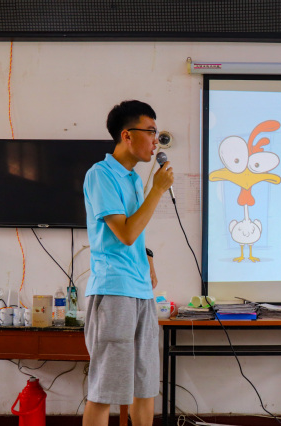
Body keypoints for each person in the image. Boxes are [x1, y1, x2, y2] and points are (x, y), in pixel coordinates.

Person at [82, 100, 174, 426]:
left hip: (141, 291)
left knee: (145, 387)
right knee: (105, 389)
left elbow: (135, 231)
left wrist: (148, 259)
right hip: (114, 291)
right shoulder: (101, 174)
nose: (155, 141)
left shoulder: (133, 179)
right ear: (126, 135)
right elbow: (124, 233)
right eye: (150, 132)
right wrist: (157, 191)